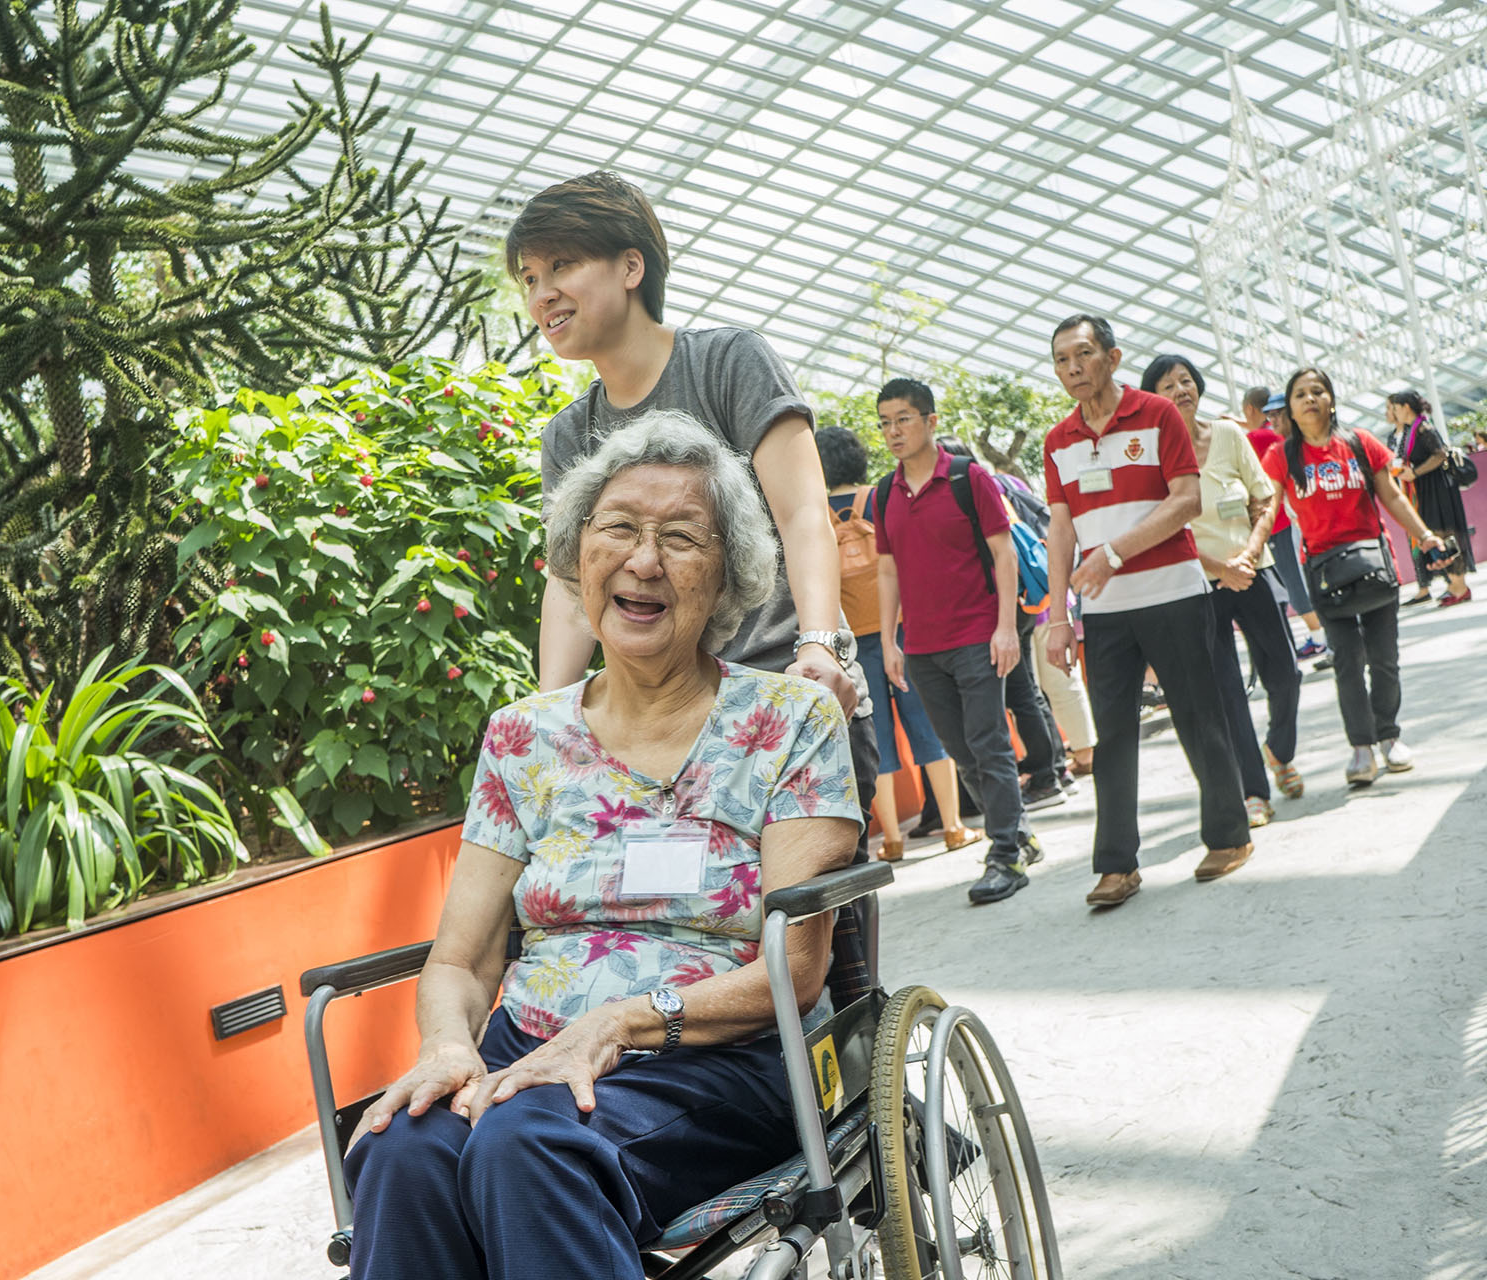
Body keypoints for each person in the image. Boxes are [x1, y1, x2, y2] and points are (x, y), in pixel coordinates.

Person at [343, 412, 865, 1280]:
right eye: (618, 528)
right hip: (531, 1049)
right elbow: (459, 961)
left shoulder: (789, 719)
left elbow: (796, 970)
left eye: (681, 538)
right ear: (577, 555)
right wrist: (446, 1046)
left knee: (527, 1144)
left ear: (728, 574)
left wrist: (616, 1024)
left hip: (718, 1060)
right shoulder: (522, 736)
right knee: (403, 1148)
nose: (643, 560)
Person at [1042, 315, 1254, 909]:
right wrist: (1060, 617)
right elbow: (1061, 530)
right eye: (1061, 360)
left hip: (1174, 594)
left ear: (1112, 357)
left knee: (1197, 715)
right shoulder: (1057, 440)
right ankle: (1116, 865)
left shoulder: (1158, 415)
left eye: (1083, 354)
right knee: (1111, 737)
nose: (1072, 368)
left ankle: (1229, 836)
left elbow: (1185, 500)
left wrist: (1112, 552)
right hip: (1104, 613)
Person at [872, 379, 1044, 905]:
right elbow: (887, 571)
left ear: (930, 421)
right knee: (960, 751)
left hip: (976, 636)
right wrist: (887, 642)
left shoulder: (970, 479)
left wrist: (1006, 628)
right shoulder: (884, 493)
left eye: (903, 419)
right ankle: (1016, 832)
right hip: (921, 647)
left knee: (988, 742)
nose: (893, 431)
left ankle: (1005, 855)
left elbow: (1003, 555)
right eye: (884, 422)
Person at [1261, 367, 1455, 786]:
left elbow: (1391, 495)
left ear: (1331, 399)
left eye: (1318, 391)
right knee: (1347, 662)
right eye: (1300, 394)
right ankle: (1361, 748)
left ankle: (1389, 736)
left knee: (1384, 658)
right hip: (1324, 572)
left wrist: (1424, 536)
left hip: (1373, 565)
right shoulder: (1281, 457)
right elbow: (1267, 507)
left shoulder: (1359, 443)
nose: (1310, 399)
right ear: (1290, 409)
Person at [1144, 354, 1303, 820]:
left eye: (1186, 381)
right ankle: (1254, 792)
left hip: (1252, 569)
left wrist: (1250, 552)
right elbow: (1164, 528)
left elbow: (1264, 495)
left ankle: (1280, 748)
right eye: (1168, 385)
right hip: (1197, 582)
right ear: (1153, 397)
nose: (1180, 391)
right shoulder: (1152, 453)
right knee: (1226, 691)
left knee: (1286, 672)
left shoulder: (1230, 435)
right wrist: (1218, 566)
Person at [816, 425, 979, 860]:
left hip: (850, 641)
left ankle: (891, 838)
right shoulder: (881, 495)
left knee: (879, 737)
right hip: (901, 630)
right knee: (927, 724)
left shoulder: (814, 511)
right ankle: (953, 825)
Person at [935, 433, 1073, 809]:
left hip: (1001, 608)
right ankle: (1056, 769)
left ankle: (1046, 777)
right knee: (1026, 689)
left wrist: (1002, 622)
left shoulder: (967, 493)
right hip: (1019, 603)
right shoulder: (998, 484)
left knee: (1020, 693)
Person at [1247, 390, 1332, 667]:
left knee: (1303, 584)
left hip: (1305, 529)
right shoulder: (1281, 449)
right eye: (1269, 415)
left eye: (1278, 414)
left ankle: (1326, 639)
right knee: (1309, 583)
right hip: (1298, 527)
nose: (1272, 420)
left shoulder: (1297, 446)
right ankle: (1329, 641)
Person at [1384, 391, 1474, 605]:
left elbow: (1439, 454)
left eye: (1395, 408)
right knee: (1437, 534)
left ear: (1406, 407)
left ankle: (1460, 586)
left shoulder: (1424, 427)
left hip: (1437, 488)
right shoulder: (1411, 430)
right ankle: (1453, 584)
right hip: (1425, 488)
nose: (1394, 413)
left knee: (1446, 533)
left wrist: (1415, 472)